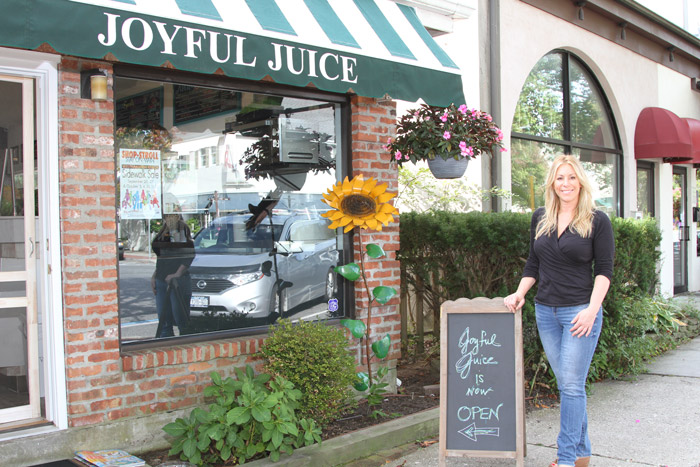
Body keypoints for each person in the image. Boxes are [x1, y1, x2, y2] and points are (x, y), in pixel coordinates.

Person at [504, 155, 614, 467]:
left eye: (571, 178)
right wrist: (520, 292)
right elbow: (533, 263)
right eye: (559, 178)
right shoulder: (541, 217)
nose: (565, 184)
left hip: (579, 312)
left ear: (581, 182)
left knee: (571, 386)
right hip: (545, 312)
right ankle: (581, 455)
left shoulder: (597, 220)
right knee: (568, 384)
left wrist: (592, 310)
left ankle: (565, 459)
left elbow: (604, 271)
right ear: (552, 182)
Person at [151, 213, 195, 338]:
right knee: (164, 319)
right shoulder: (164, 235)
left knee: (180, 317)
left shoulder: (182, 231)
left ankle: (184, 343)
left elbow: (188, 255)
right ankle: (166, 342)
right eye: (166, 217)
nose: (169, 220)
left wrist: (177, 274)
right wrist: (155, 275)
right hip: (162, 278)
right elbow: (160, 255)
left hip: (178, 281)